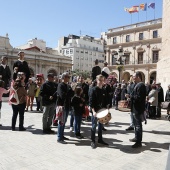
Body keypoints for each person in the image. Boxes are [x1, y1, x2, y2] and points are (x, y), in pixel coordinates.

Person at [89, 74, 109, 149]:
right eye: (99, 80)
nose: (101, 82)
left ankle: (100, 139)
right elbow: (91, 102)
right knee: (94, 126)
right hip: (95, 112)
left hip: (102, 112)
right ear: (97, 81)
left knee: (100, 127)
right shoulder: (93, 90)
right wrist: (93, 112)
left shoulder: (104, 90)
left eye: (102, 80)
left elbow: (105, 103)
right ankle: (93, 141)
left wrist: (106, 113)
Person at [128, 72, 146, 148]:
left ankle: (139, 142)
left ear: (138, 77)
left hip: (138, 109)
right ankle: (136, 137)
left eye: (134, 76)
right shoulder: (137, 85)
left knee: (138, 125)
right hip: (134, 108)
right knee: (135, 125)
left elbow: (139, 97)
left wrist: (131, 96)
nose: (133, 77)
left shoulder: (141, 85)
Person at [57, 72, 74, 144]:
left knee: (64, 121)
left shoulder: (68, 86)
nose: (69, 78)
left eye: (69, 77)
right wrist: (68, 93)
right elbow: (62, 95)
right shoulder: (60, 85)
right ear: (64, 78)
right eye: (68, 77)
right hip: (62, 106)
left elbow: (72, 94)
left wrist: (69, 91)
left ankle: (62, 135)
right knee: (61, 121)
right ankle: (59, 137)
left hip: (67, 105)